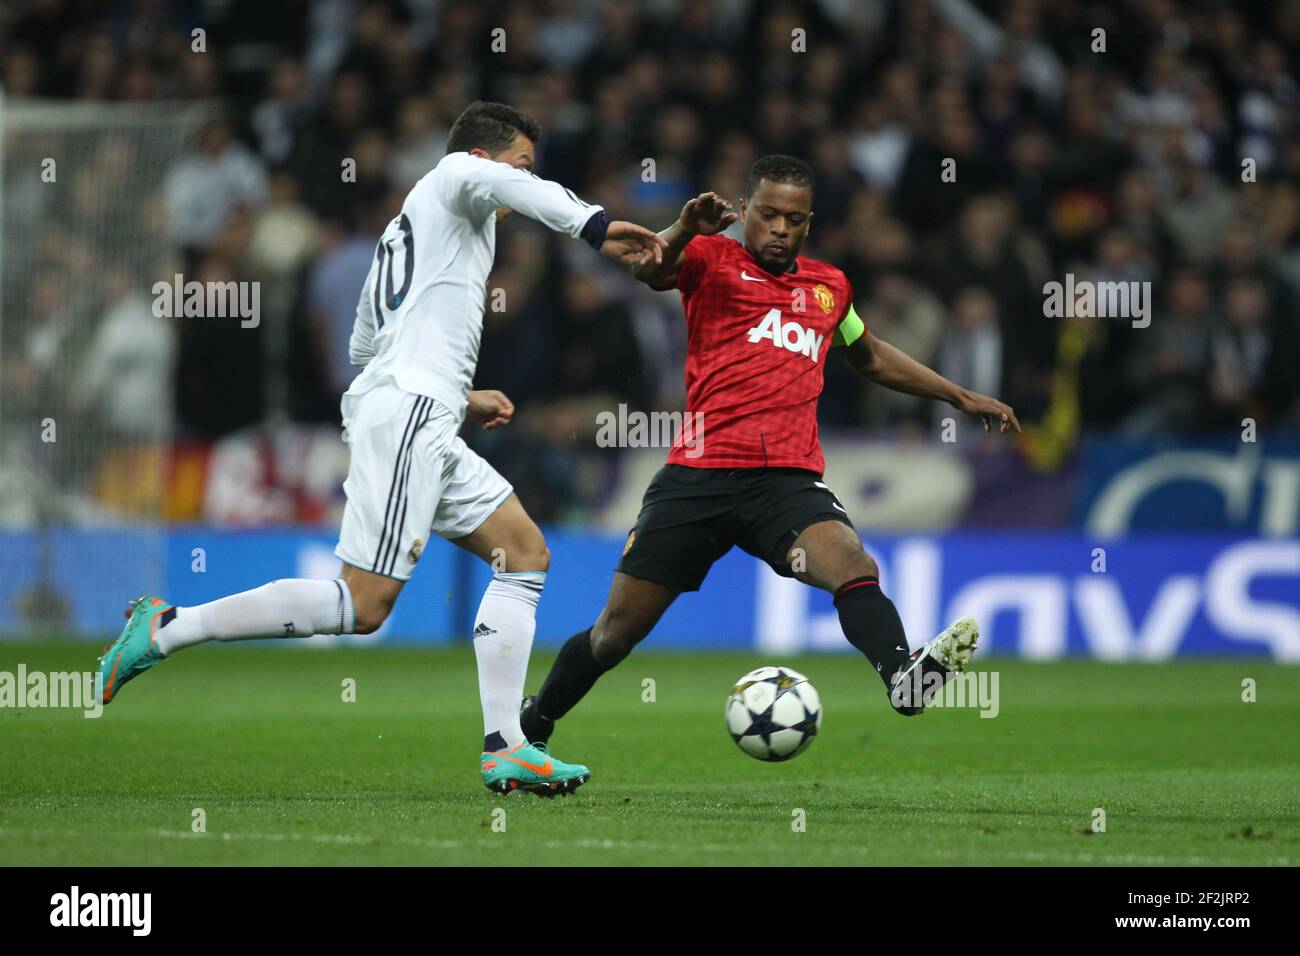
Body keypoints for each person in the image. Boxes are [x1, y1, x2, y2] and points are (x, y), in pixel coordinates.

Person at [95, 101, 667, 798]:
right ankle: (168, 627)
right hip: (410, 412)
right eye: (520, 166)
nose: (522, 183)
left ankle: (506, 746)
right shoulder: (457, 175)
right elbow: (508, 187)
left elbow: (366, 343)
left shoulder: (414, 227)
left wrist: (455, 396)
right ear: (484, 161)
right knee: (363, 606)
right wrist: (596, 225)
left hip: (415, 407)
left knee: (522, 553)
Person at [522, 155, 1020, 747]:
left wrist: (959, 395)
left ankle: (902, 677)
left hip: (786, 481)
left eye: (795, 219)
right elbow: (650, 269)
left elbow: (870, 355)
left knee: (855, 566)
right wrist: (683, 228)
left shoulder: (829, 287)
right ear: (745, 211)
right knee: (613, 636)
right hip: (698, 477)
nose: (780, 228)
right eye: (768, 214)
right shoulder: (710, 257)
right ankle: (532, 724)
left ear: (809, 223)